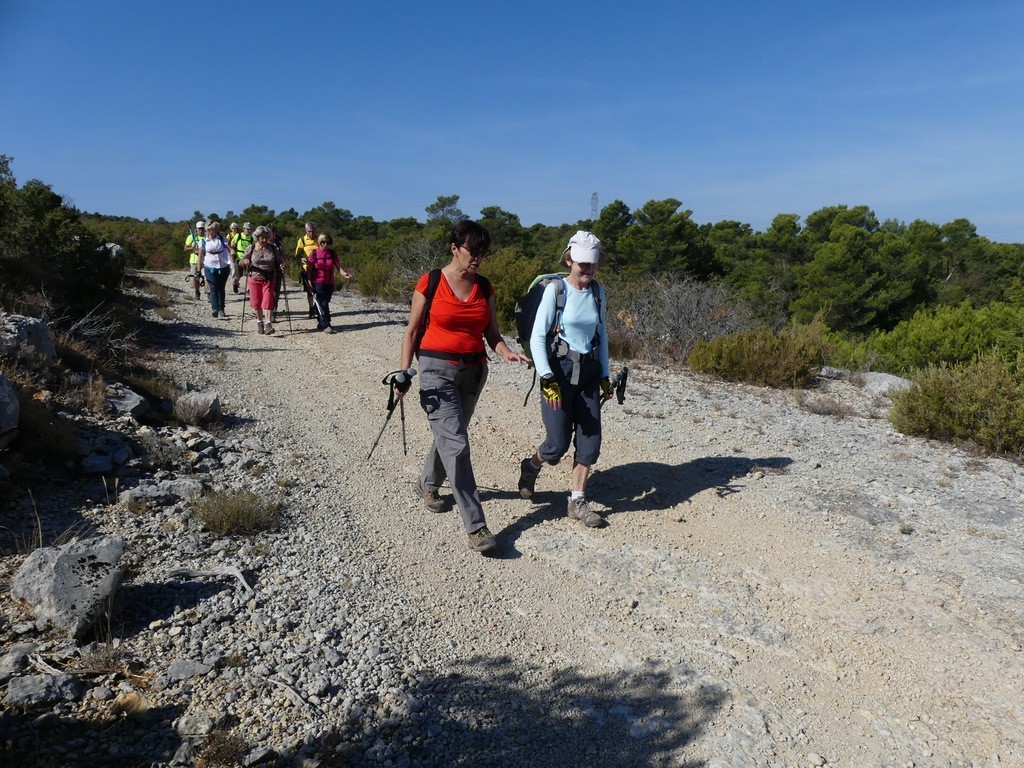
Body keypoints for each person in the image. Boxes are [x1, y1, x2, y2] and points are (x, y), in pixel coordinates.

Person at [398, 221, 529, 554]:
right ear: (455, 247)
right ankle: (476, 526)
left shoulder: (484, 287)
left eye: (484, 252)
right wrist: (402, 373)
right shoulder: (430, 282)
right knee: (456, 443)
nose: (479, 258)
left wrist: (507, 353)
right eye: (474, 251)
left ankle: (427, 484)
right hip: (434, 369)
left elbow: (493, 335)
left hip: (473, 371)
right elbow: (412, 332)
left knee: (450, 436)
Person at [516, 231, 612, 528]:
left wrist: (606, 375)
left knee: (590, 443)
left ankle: (577, 501)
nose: (588, 270)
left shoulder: (598, 292)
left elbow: (602, 335)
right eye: (582, 264)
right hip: (558, 374)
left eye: (593, 265)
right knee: (556, 444)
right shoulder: (556, 291)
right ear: (569, 259)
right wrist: (546, 377)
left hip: (589, 375)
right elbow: (536, 337)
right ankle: (531, 466)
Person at [239, 226, 285, 334]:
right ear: (257, 237)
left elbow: (279, 261)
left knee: (268, 301)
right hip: (254, 278)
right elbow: (241, 262)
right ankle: (260, 322)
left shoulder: (273, 248)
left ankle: (268, 323)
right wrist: (245, 261)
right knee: (257, 302)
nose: (264, 240)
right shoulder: (251, 248)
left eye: (266, 237)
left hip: (269, 278)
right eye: (262, 238)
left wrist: (282, 265)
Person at [306, 233, 352, 333]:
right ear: (319, 242)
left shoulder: (332, 253)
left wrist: (344, 274)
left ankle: (320, 320)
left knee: (323, 302)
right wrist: (309, 283)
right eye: (323, 242)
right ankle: (327, 324)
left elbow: (337, 266)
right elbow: (309, 270)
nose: (325, 244)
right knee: (323, 303)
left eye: (328, 242)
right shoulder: (314, 253)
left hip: (330, 282)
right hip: (317, 282)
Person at [200, 220, 232, 318]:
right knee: (213, 288)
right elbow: (200, 256)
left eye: (214, 229)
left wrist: (233, 253)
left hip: (223, 266)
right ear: (207, 230)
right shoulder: (203, 241)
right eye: (210, 230)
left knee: (221, 288)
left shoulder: (222, 239)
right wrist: (198, 269)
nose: (212, 232)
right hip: (209, 267)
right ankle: (215, 308)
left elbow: (230, 248)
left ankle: (221, 309)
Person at [295, 222, 318, 318]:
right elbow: (297, 255)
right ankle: (311, 308)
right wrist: (301, 259)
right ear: (306, 231)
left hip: (320, 269)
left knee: (319, 289)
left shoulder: (320, 239)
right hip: (307, 269)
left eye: (313, 231)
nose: (311, 234)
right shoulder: (302, 240)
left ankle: (317, 307)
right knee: (310, 290)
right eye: (309, 232)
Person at [184, 220, 206, 299]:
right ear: (196, 229)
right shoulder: (191, 237)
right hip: (194, 261)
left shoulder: (206, 238)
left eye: (202, 228)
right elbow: (185, 248)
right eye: (199, 228)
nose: (201, 230)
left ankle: (209, 293)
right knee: (196, 278)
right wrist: (192, 248)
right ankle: (197, 292)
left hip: (205, 261)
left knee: (207, 277)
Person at [230, 222, 254, 294]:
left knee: (249, 274)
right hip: (239, 257)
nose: (249, 231)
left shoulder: (251, 237)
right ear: (244, 229)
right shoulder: (238, 235)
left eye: (250, 229)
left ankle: (248, 289)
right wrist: (233, 251)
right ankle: (235, 283)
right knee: (238, 274)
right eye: (247, 229)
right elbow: (232, 244)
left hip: (248, 258)